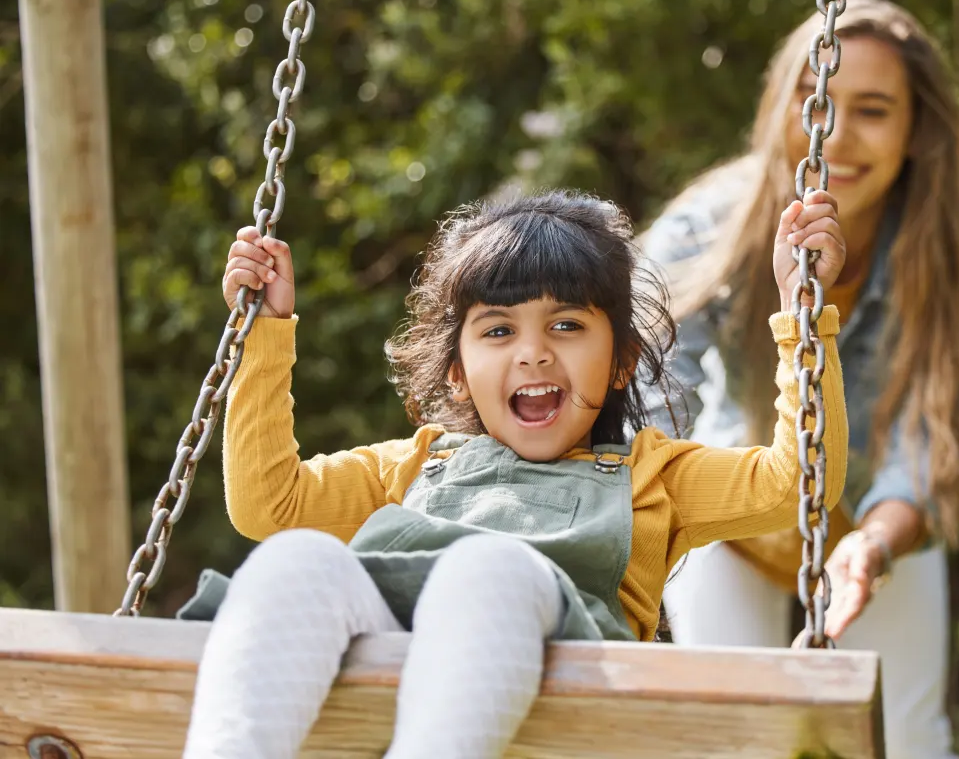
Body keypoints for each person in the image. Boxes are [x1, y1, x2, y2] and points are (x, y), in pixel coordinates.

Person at [176, 188, 850, 758]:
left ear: (621, 362)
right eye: (498, 332)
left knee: (487, 569)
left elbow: (795, 484)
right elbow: (269, 505)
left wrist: (803, 317)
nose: (532, 354)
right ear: (457, 374)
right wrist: (265, 331)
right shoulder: (414, 463)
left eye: (565, 326)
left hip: (572, 697)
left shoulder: (655, 475)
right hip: (394, 665)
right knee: (299, 560)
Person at [642, 0, 959, 758]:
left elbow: (936, 437)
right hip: (739, 510)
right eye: (817, 101)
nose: (837, 135)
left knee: (908, 739)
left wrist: (875, 546)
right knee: (732, 735)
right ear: (781, 105)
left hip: (876, 526)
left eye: (875, 110)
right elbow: (655, 384)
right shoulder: (712, 227)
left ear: (916, 130)